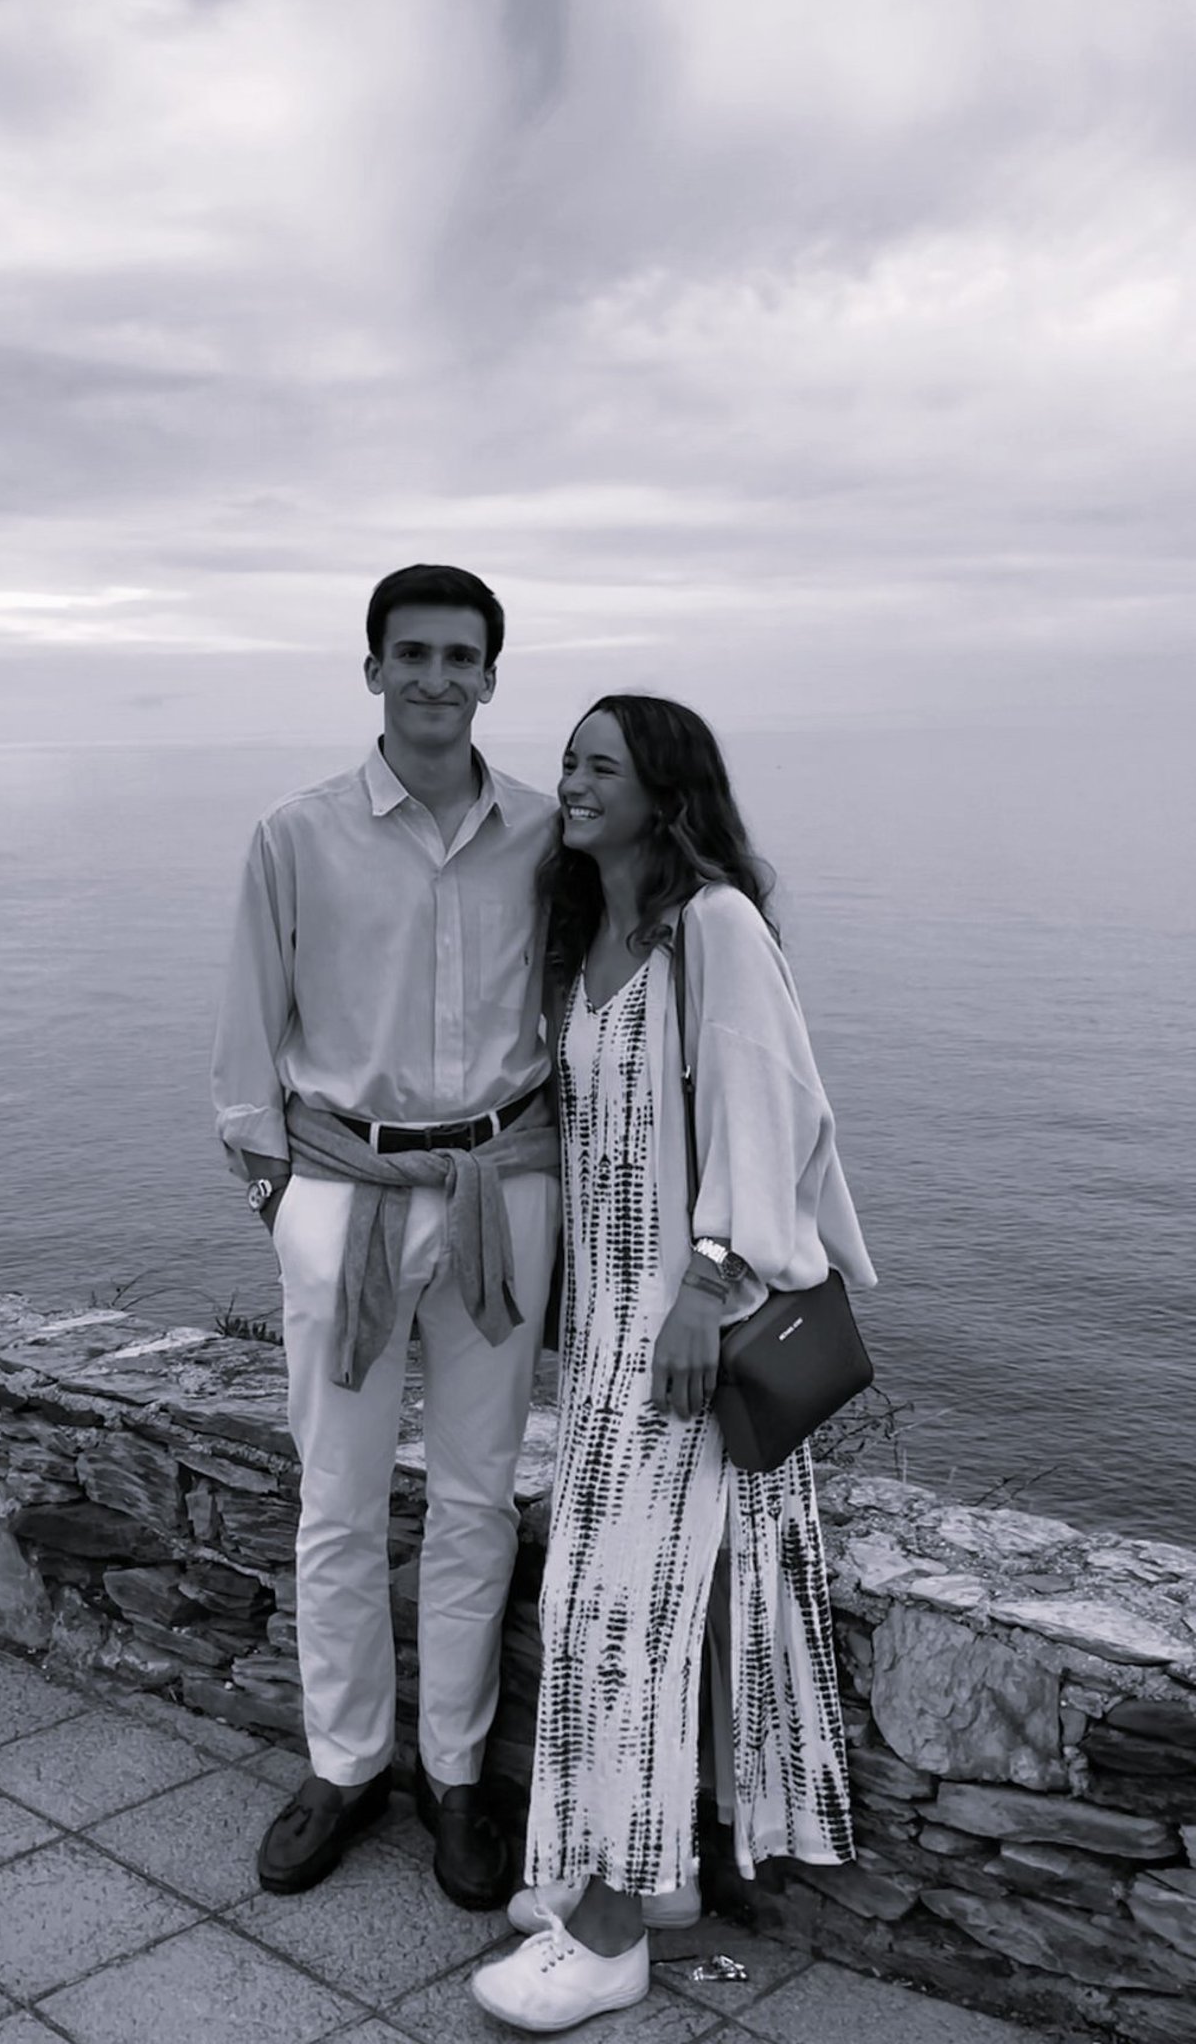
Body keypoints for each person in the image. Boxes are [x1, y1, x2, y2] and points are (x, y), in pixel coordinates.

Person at [471, 694, 876, 2033]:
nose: (573, 784)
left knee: (611, 1625)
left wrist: (709, 1281)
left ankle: (602, 1939)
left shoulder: (714, 929)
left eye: (604, 767)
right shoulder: (590, 934)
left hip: (686, 1344)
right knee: (608, 1612)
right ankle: (627, 1883)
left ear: (666, 792)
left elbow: (775, 1110)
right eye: (570, 763)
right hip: (606, 1344)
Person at [211, 565, 560, 1911]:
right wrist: (286, 1215)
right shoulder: (294, 835)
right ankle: (346, 1762)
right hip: (342, 1197)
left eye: (460, 656)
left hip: (498, 1193)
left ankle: (455, 1776)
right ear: (371, 671)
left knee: (478, 1498)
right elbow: (246, 1060)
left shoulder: (544, 831)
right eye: (410, 653)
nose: (434, 678)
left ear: (489, 674)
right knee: (339, 1503)